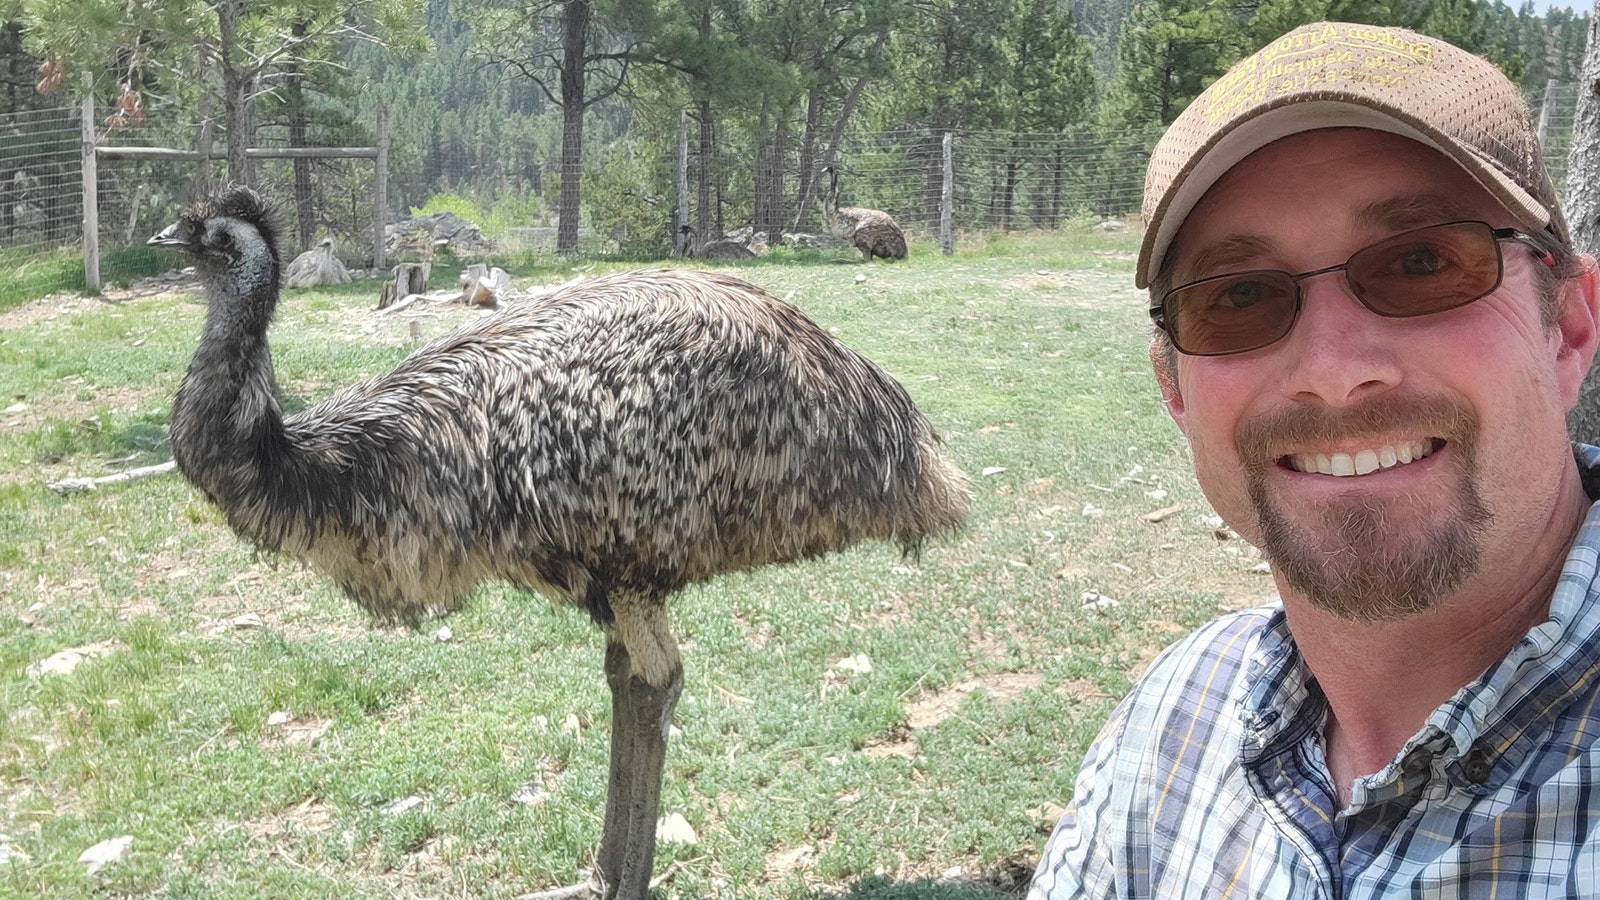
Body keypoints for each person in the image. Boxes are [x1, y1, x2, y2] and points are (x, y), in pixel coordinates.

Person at [1030, 21, 1600, 897]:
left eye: (1420, 263)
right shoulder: (1172, 725)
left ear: (1567, 328)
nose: (1333, 375)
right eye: (1240, 297)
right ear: (1175, 389)